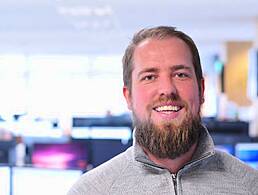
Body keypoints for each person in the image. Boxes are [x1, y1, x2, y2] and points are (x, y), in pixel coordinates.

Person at [68, 26, 258, 195]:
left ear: (201, 90)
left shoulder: (251, 186)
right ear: (129, 96)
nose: (167, 89)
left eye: (180, 75)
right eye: (150, 77)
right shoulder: (90, 190)